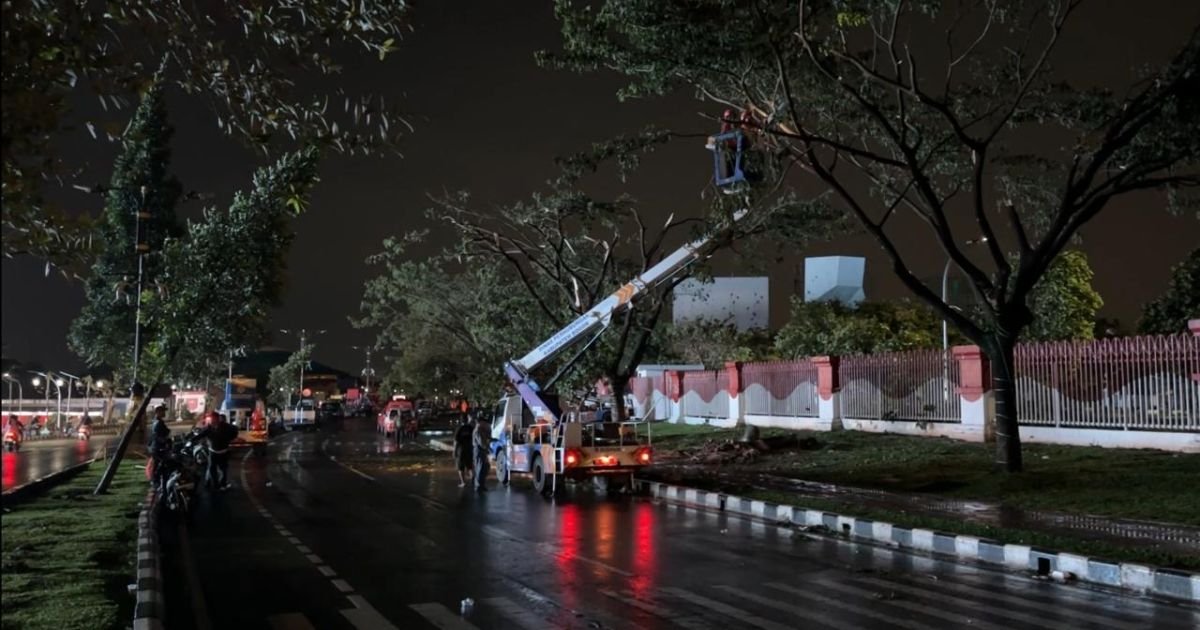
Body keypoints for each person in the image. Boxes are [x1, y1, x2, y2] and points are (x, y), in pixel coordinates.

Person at [194, 412, 238, 491]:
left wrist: (229, 439)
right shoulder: (209, 427)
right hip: (212, 452)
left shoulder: (226, 427)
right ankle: (215, 485)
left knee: (223, 469)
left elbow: (235, 431)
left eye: (213, 419)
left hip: (223, 452)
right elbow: (201, 434)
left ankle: (222, 484)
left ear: (217, 418)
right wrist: (192, 439)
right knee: (212, 469)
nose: (211, 421)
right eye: (210, 419)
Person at [147, 405, 173, 492]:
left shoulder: (159, 421)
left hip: (158, 447)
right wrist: (165, 441)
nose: (164, 413)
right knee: (158, 466)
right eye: (163, 411)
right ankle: (155, 482)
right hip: (157, 448)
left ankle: (158, 482)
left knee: (160, 465)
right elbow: (156, 436)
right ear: (158, 412)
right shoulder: (157, 423)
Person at [472, 411, 492, 493]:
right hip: (479, 450)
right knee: (480, 468)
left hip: (481, 450)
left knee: (484, 467)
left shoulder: (481, 429)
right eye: (484, 422)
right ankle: (479, 486)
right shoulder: (478, 430)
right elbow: (481, 442)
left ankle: (481, 485)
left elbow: (486, 438)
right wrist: (488, 449)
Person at [453, 415, 475, 487]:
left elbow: (456, 441)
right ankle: (473, 480)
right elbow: (474, 438)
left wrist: (454, 451)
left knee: (460, 467)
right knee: (470, 466)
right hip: (469, 449)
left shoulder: (459, 428)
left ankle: (463, 482)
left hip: (461, 450)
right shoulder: (470, 428)